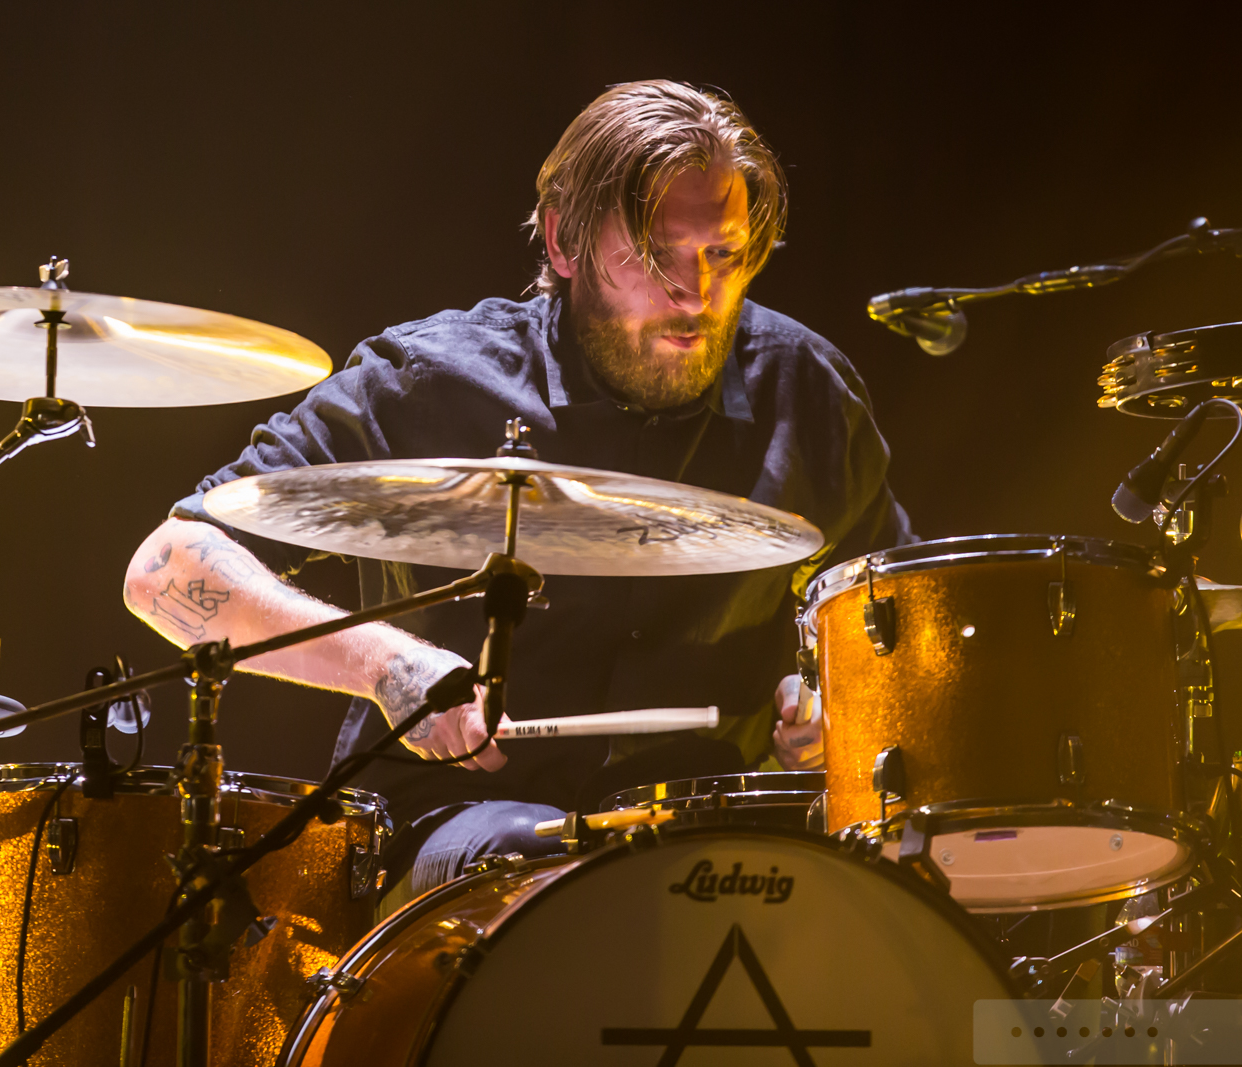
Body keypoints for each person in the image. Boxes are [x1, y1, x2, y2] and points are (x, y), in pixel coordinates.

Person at [121, 80, 913, 905]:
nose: (696, 293)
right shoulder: (428, 382)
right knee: (555, 878)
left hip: (712, 842)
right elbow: (165, 565)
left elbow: (886, 623)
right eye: (656, 256)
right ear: (565, 240)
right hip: (461, 827)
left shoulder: (804, 389)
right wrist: (389, 665)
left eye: (725, 254)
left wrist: (834, 704)